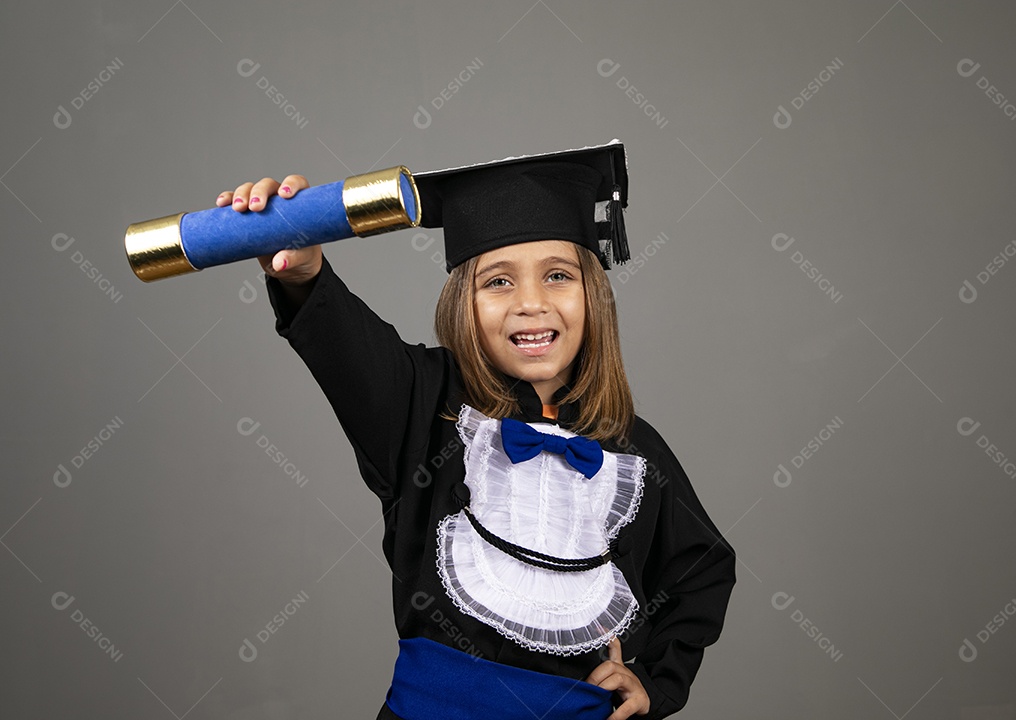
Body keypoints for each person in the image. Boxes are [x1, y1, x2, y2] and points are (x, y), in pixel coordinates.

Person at [215, 142, 737, 720]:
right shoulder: (421, 405)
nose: (531, 304)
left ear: (596, 295)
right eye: (498, 282)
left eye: (558, 276)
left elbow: (702, 569)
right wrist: (305, 274)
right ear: (464, 302)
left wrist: (655, 680)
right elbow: (345, 347)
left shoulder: (634, 448)